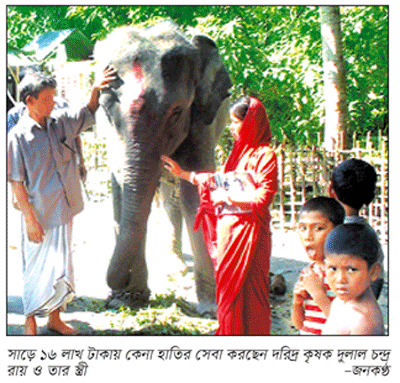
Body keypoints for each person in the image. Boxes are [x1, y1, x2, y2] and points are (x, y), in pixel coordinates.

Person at [7, 66, 116, 335]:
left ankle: (54, 318)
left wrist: (95, 90)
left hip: (65, 208)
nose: (53, 103)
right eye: (47, 99)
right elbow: (16, 183)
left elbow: (87, 112)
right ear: (30, 101)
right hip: (39, 214)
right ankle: (30, 321)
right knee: (35, 268)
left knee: (61, 267)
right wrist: (30, 221)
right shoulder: (17, 136)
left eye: (54, 97)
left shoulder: (61, 121)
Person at [162, 96, 278, 335]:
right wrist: (183, 174)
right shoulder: (238, 155)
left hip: (250, 235)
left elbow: (263, 198)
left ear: (251, 123)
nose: (232, 128)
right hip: (229, 234)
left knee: (251, 293)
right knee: (227, 292)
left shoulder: (265, 156)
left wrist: (229, 199)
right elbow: (216, 180)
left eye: (237, 123)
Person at [328, 158, 384, 299]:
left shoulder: (326, 235)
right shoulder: (372, 239)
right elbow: (376, 286)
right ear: (369, 196)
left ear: (331, 191)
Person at [292, 197, 345, 335]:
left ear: (337, 232)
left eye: (318, 228)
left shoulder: (343, 275)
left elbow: (343, 327)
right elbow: (299, 324)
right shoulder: (308, 273)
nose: (308, 236)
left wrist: (317, 294)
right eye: (303, 228)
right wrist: (296, 303)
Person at [323, 223, 384, 335]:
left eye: (351, 269)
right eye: (333, 268)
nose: (340, 279)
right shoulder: (340, 301)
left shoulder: (363, 323)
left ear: (374, 271)